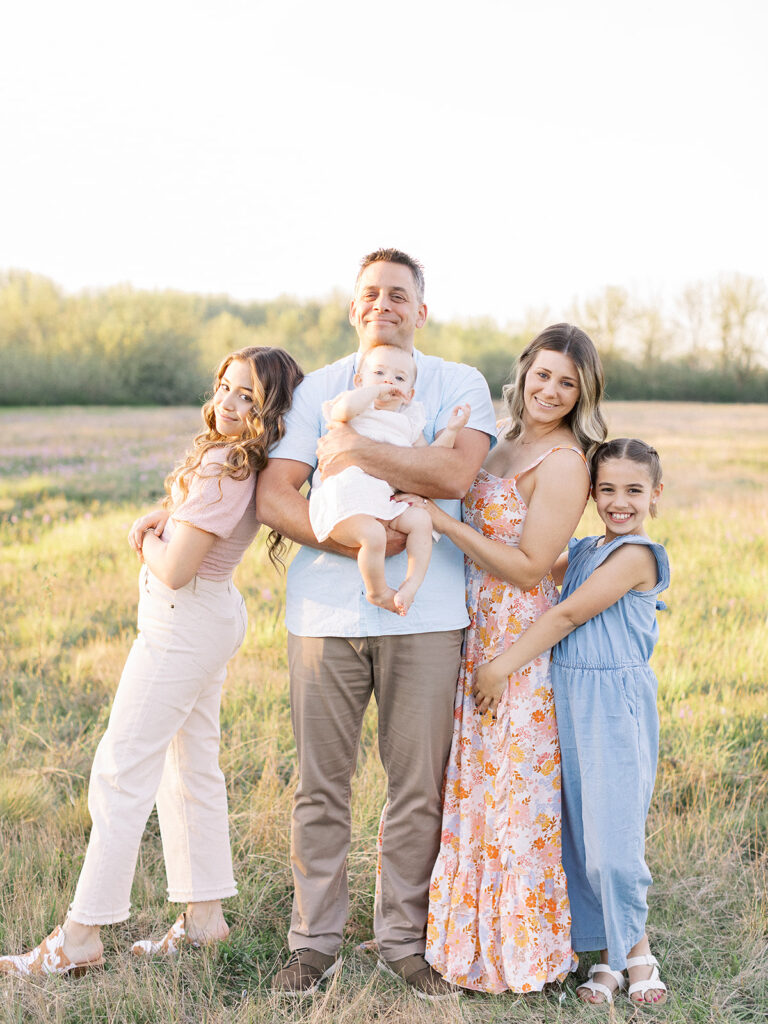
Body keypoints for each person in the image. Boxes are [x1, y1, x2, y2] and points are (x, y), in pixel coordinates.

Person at [0, 346, 304, 978]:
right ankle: (204, 920)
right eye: (225, 387)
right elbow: (207, 522)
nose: (229, 402)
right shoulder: (244, 462)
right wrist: (170, 514)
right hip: (210, 615)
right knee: (190, 765)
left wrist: (148, 539)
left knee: (121, 769)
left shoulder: (224, 463)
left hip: (182, 618)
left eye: (248, 395)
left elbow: (175, 567)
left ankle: (80, 935)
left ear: (270, 407)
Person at [255, 248, 497, 999]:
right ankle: (313, 942)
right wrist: (362, 533)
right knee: (321, 787)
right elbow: (276, 495)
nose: (383, 304)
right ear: (353, 306)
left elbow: (456, 475)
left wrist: (356, 452)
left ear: (421, 310)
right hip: (324, 615)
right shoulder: (319, 388)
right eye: (371, 293)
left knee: (416, 788)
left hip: (426, 617)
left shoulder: (458, 383)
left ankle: (403, 940)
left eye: (399, 294)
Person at [397, 324, 607, 993]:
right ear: (524, 372)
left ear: (582, 394)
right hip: (470, 627)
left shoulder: (566, 461)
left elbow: (528, 569)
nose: (550, 390)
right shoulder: (504, 442)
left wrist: (444, 521)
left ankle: (524, 955)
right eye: (543, 375)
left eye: (566, 383)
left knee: (518, 799)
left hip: (518, 645)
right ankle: (464, 943)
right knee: (473, 792)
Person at [475, 438, 669, 1006]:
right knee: (582, 837)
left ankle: (637, 952)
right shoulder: (585, 550)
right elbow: (526, 568)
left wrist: (501, 667)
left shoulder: (637, 555)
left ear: (655, 495)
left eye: (633, 490)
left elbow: (566, 612)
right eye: (606, 489)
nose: (619, 501)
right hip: (569, 700)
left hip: (613, 704)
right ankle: (607, 952)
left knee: (614, 840)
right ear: (589, 494)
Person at [309, 341, 470, 615]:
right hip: (348, 499)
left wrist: (452, 431)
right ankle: (378, 591)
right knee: (373, 535)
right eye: (379, 373)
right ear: (359, 381)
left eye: (399, 378)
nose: (388, 381)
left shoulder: (409, 420)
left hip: (386, 499)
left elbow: (428, 460)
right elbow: (345, 409)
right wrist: (374, 392)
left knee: (421, 520)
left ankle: (411, 584)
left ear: (409, 393)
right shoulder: (353, 406)